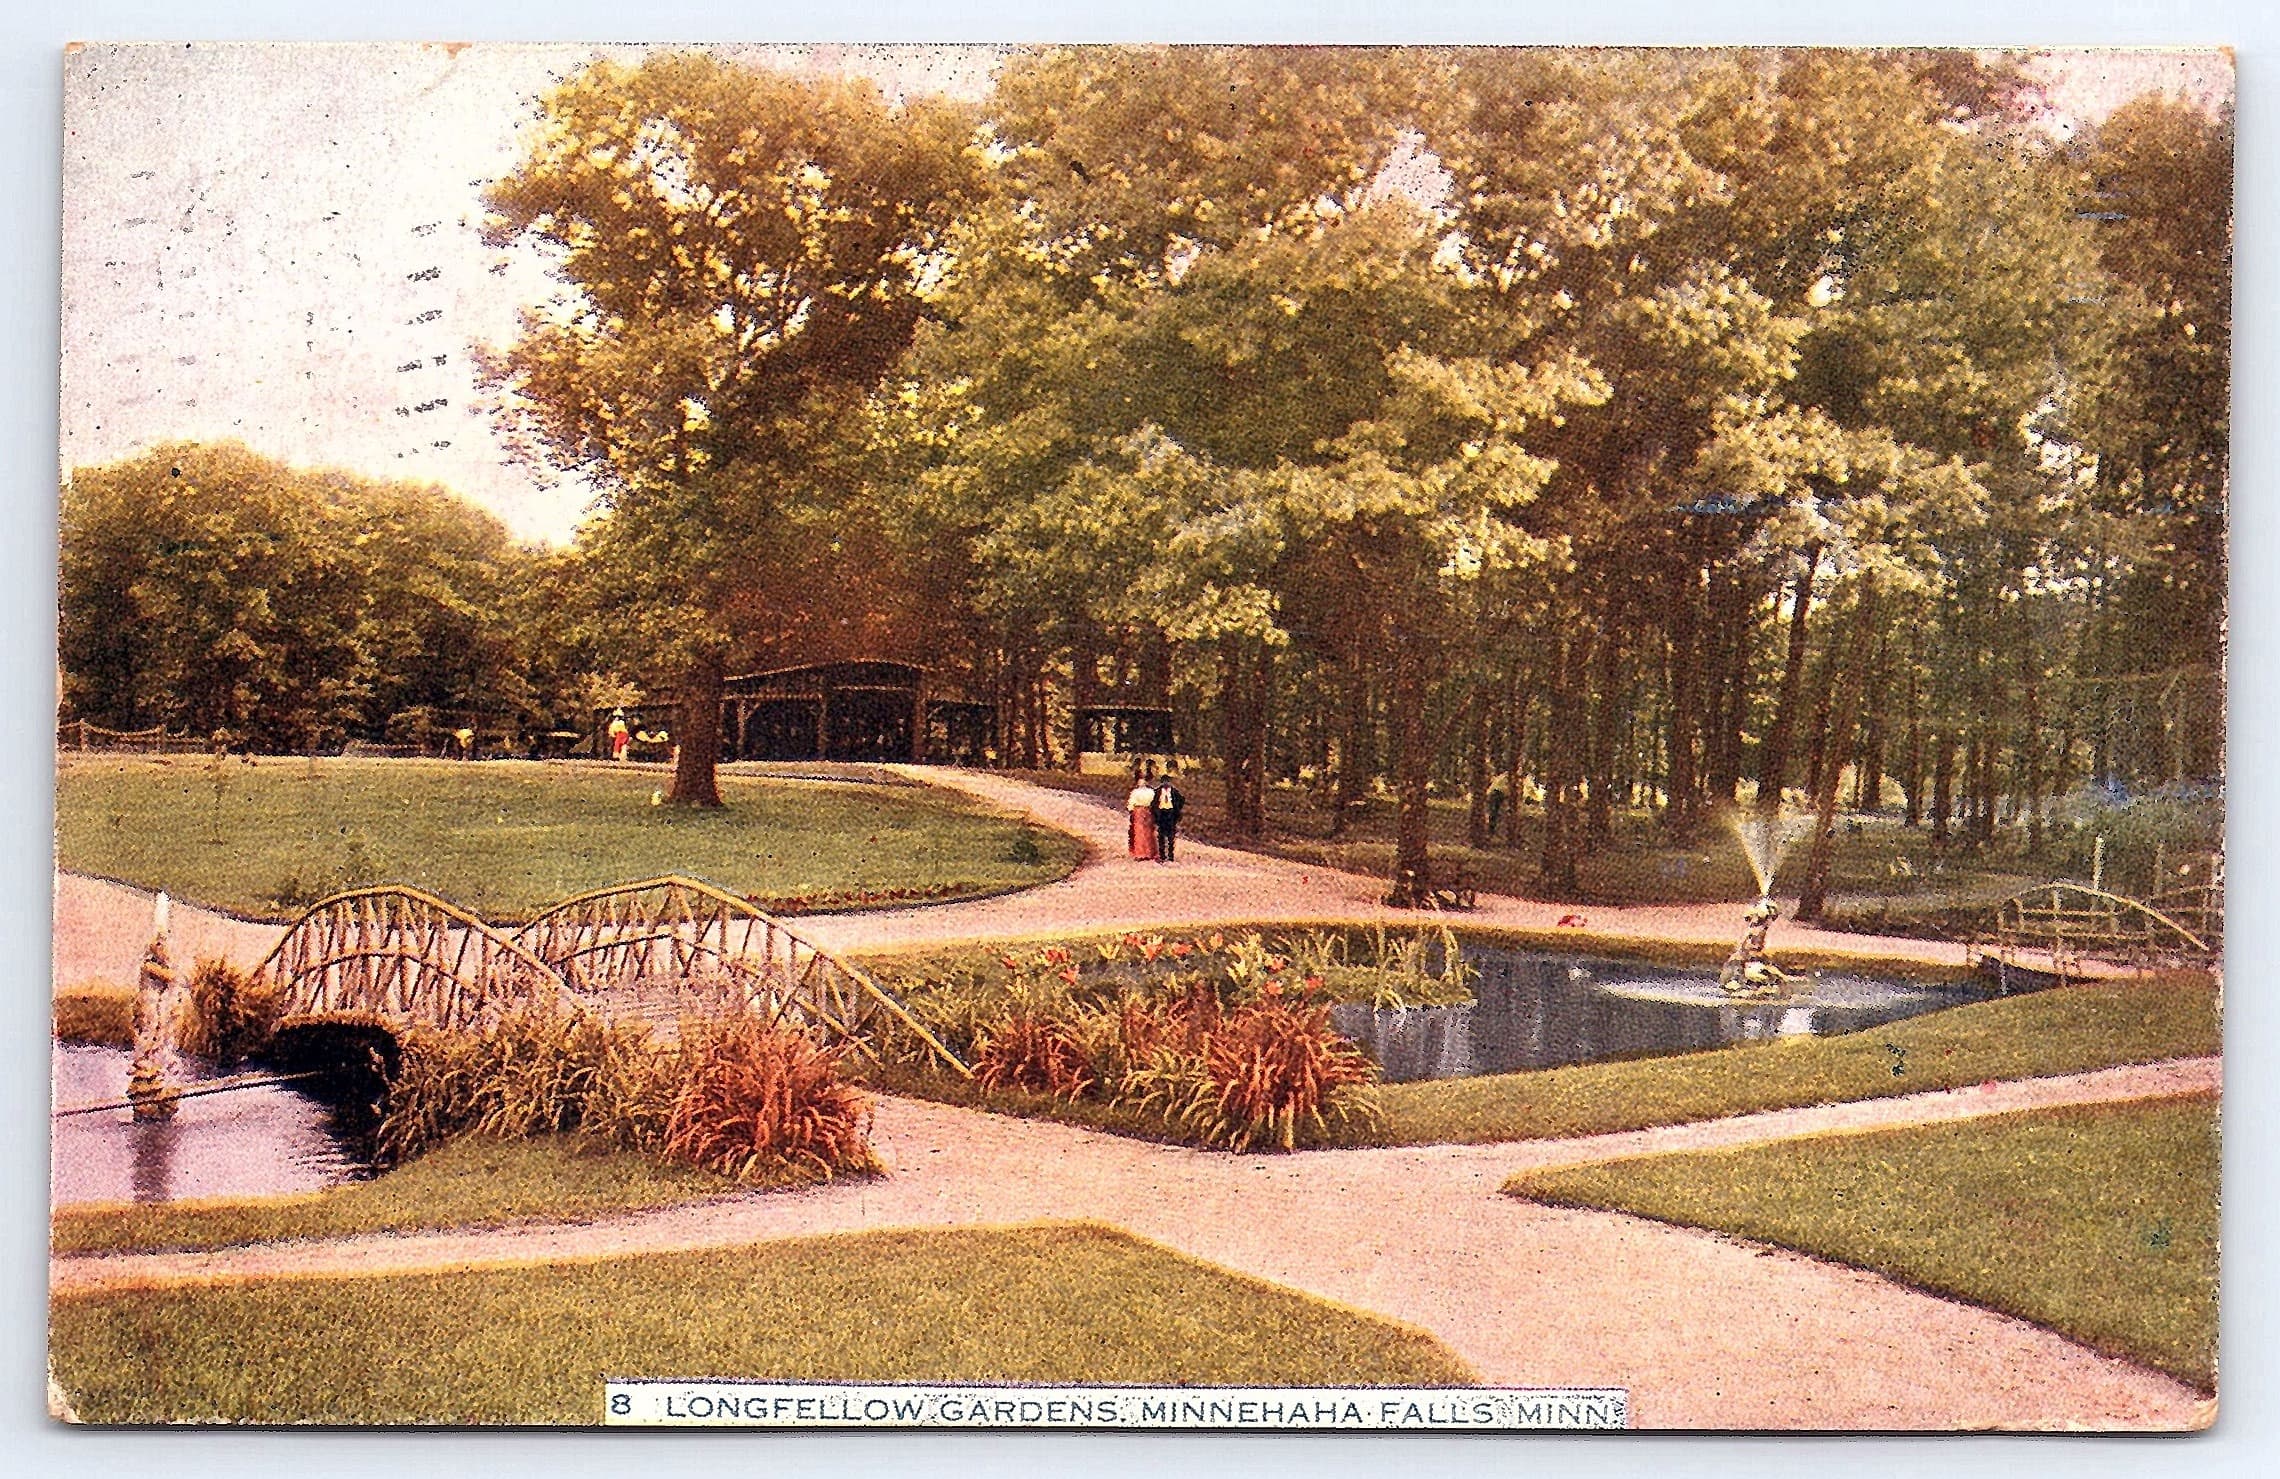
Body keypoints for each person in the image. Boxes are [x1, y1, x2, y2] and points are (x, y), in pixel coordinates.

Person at [1152, 769, 1186, 863]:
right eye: (1164, 782)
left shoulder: (1174, 792)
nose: (1166, 783)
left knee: (1171, 836)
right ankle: (1162, 855)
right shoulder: (1157, 791)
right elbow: (1153, 803)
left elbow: (1182, 800)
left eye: (1167, 782)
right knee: (1161, 836)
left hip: (1171, 814)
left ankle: (1171, 855)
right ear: (1162, 782)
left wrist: (1177, 809)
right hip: (1161, 814)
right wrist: (1155, 814)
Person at [1126, 767, 1158, 861]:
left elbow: (1131, 803)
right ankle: (1148, 852)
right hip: (1146, 811)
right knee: (1146, 832)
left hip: (1141, 811)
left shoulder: (1136, 792)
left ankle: (1141, 853)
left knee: (1141, 832)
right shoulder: (1151, 792)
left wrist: (1131, 810)